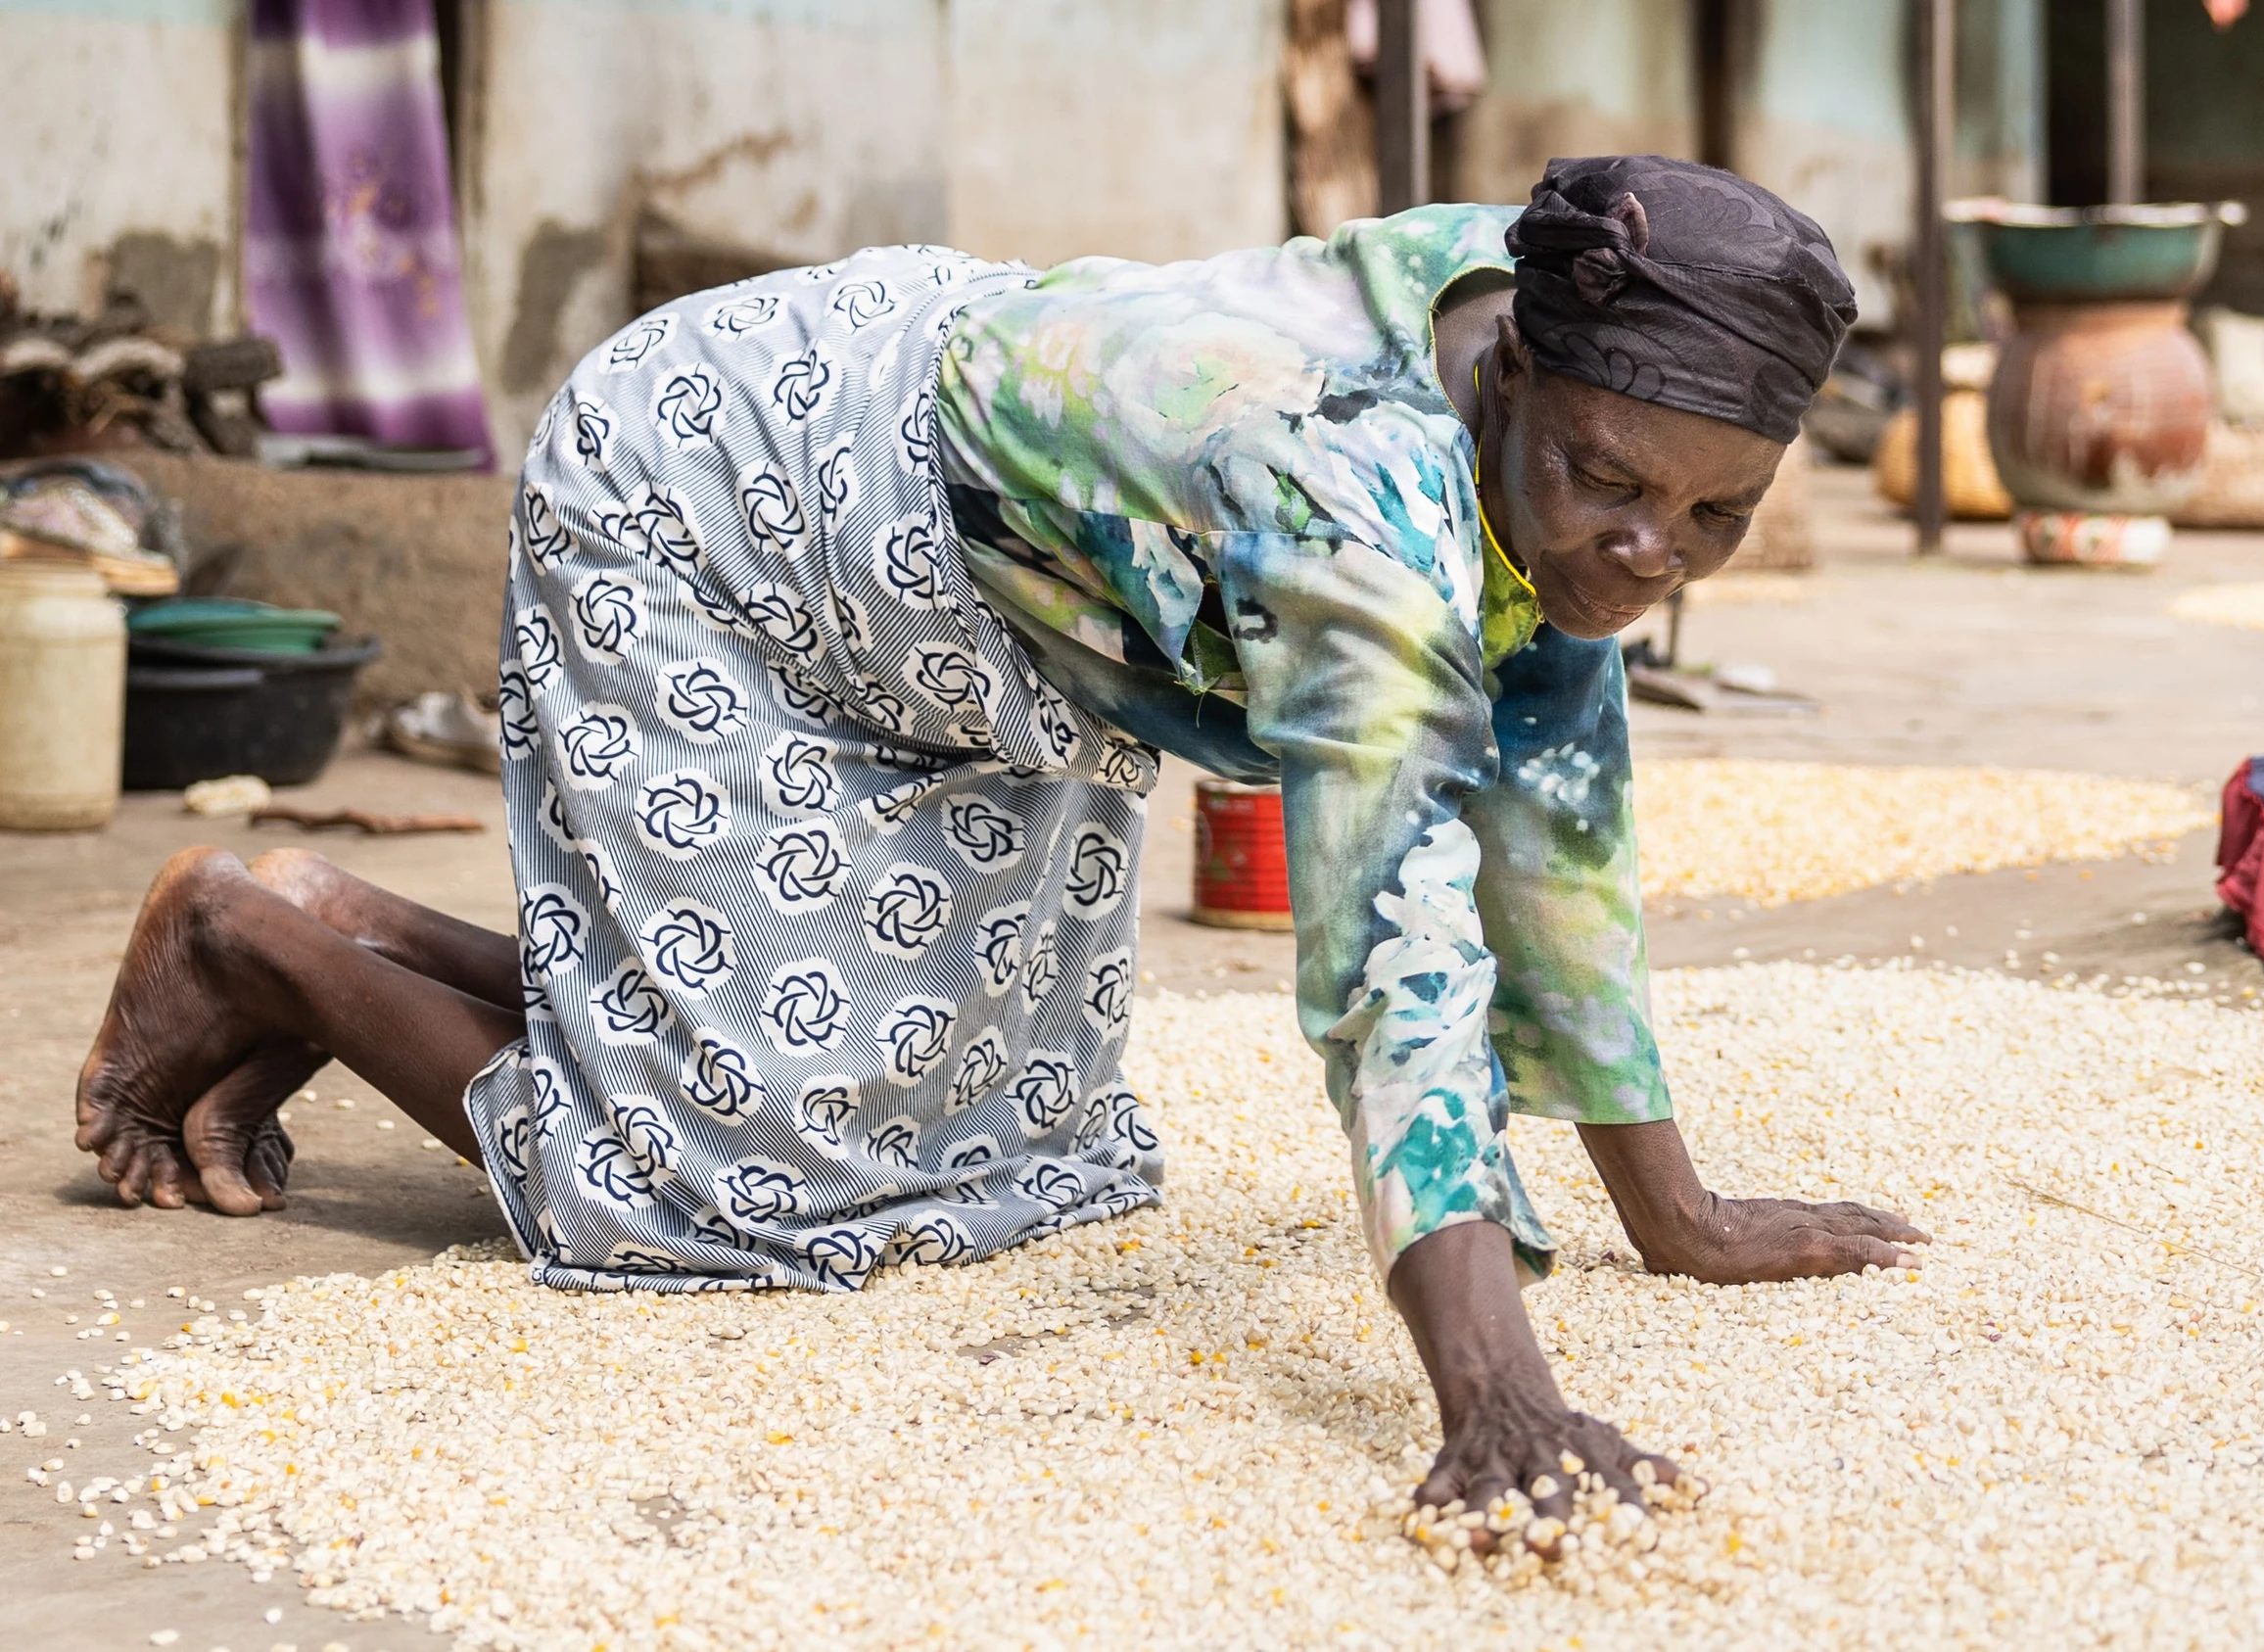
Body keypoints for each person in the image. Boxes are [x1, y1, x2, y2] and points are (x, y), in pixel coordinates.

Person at [73, 155, 1922, 1537]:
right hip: (721, 498)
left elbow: (1553, 790)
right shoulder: (1347, 494)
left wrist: (1669, 1214)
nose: (1648, 552)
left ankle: (357, 929)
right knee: (717, 1190)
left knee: (993, 1139)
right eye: (1611, 480)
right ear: (1512, 374)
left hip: (997, 605)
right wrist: (1498, 1389)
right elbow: (1394, 945)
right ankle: (253, 928)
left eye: (1715, 514)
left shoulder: (1554, 328)